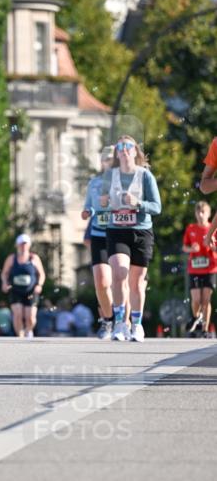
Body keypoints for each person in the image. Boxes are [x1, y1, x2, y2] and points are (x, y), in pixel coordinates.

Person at [100, 135, 162, 342]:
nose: (124, 150)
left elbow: (157, 207)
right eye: (120, 147)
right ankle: (120, 323)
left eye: (128, 146)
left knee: (136, 282)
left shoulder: (145, 176)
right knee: (119, 273)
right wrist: (107, 203)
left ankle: (136, 324)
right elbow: (102, 204)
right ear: (117, 152)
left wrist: (138, 203)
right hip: (116, 230)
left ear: (135, 151)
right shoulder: (110, 175)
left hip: (141, 231)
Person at [81, 145, 116, 339]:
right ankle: (108, 320)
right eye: (105, 159)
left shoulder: (122, 182)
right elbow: (89, 206)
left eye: (111, 159)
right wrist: (88, 212)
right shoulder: (93, 183)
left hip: (119, 234)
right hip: (98, 235)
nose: (108, 162)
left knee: (119, 281)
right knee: (102, 282)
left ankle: (124, 320)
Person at [0, 234, 46, 338]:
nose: (23, 246)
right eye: (21, 244)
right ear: (17, 245)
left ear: (29, 245)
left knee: (30, 317)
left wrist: (39, 285)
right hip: (15, 290)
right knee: (17, 315)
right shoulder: (12, 258)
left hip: (31, 291)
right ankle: (20, 337)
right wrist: (4, 283)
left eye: (25, 244)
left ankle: (28, 331)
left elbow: (42, 274)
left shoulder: (34, 258)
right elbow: (4, 273)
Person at [182, 201, 217, 336]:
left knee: (206, 300)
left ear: (209, 214)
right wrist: (192, 248)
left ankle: (205, 329)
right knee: (196, 299)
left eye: (203, 212)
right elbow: (184, 247)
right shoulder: (190, 228)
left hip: (210, 268)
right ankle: (196, 318)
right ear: (195, 214)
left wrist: (212, 247)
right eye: (198, 212)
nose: (201, 215)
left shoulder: (213, 229)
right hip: (195, 269)